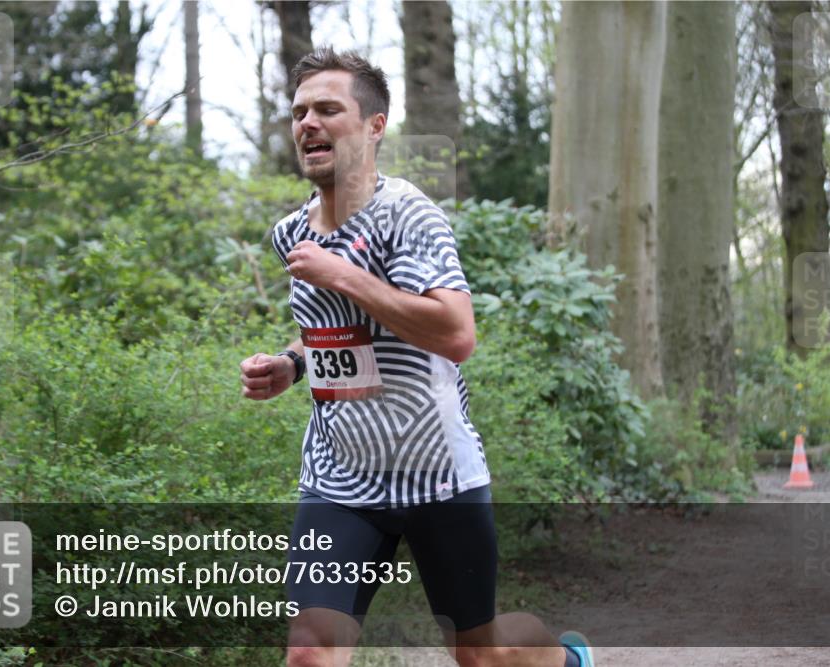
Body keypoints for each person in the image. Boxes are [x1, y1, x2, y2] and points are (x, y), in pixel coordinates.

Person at [239, 46, 594, 667]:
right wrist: (291, 364)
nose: (307, 124)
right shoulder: (291, 234)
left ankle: (564, 660)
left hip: (436, 474)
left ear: (375, 126)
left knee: (478, 656)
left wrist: (346, 275)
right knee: (309, 651)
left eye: (328, 109)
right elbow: (332, 329)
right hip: (340, 477)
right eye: (299, 112)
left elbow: (456, 333)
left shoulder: (409, 217)